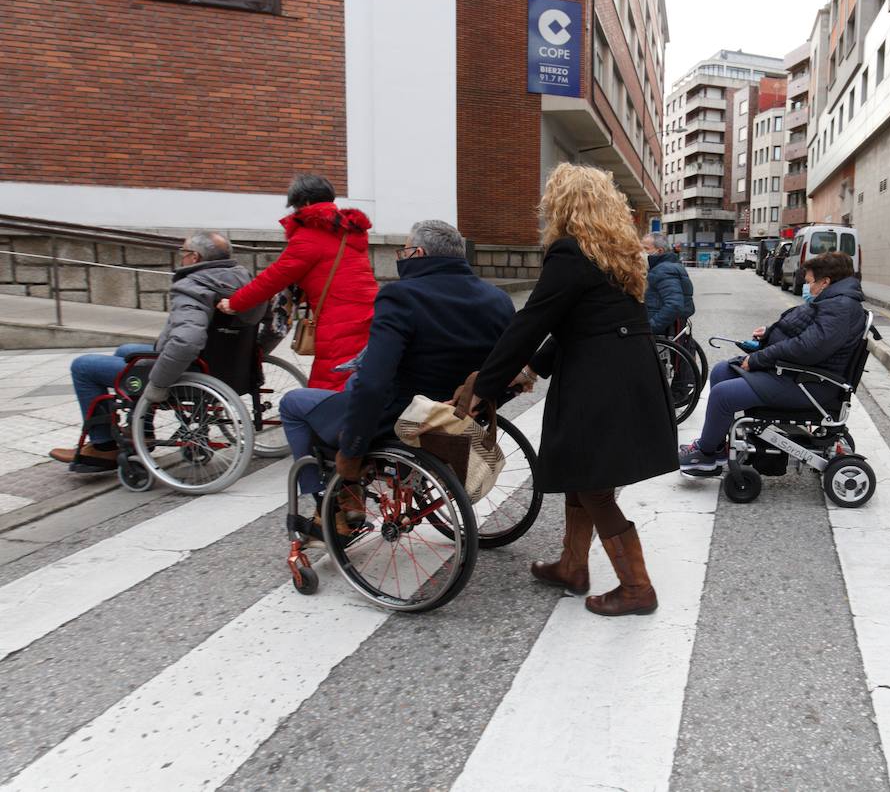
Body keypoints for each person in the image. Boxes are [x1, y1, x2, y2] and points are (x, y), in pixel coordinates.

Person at [472, 163, 677, 617]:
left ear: (563, 206)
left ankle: (637, 588)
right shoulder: (617, 255)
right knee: (581, 476)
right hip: (625, 374)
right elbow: (577, 325)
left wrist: (483, 386)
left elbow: (532, 322)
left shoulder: (569, 252)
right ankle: (572, 566)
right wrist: (533, 369)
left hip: (598, 382)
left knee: (596, 487)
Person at [277, 220, 514, 509]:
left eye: (403, 252)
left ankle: (330, 501)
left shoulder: (401, 296)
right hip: (460, 410)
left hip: (404, 416)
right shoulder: (499, 300)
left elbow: (374, 383)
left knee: (293, 403)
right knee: (353, 382)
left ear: (417, 253)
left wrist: (352, 448)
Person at [49, 232, 265, 471]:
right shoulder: (246, 280)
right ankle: (143, 430)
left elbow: (186, 341)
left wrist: (158, 384)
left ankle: (104, 446)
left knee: (83, 366)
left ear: (194, 257)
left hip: (192, 370)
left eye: (183, 252)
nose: (181, 257)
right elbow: (271, 326)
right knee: (127, 350)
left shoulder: (194, 286)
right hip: (228, 368)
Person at [679, 251, 866, 476]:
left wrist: (759, 359)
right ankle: (717, 447)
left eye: (810, 282)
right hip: (798, 375)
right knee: (722, 371)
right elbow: (807, 334)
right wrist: (768, 335)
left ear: (825, 282)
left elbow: (807, 348)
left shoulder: (840, 307)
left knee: (722, 395)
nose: (808, 287)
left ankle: (705, 453)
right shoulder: (835, 302)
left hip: (810, 384)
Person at [217, 173, 377, 391]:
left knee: (331, 388)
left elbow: (272, 278)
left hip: (340, 323)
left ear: (307, 202)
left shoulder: (311, 234)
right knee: (357, 380)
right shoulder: (347, 231)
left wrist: (234, 303)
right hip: (368, 316)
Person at [643, 232, 694, 337]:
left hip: (662, 334)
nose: (641, 253)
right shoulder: (666, 266)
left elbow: (674, 305)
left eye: (646, 249)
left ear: (659, 251)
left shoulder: (664, 270)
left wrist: (649, 328)